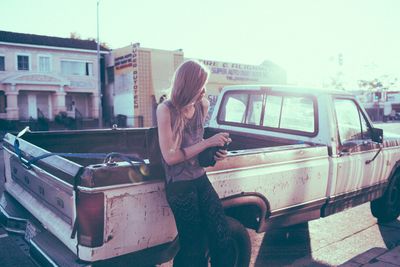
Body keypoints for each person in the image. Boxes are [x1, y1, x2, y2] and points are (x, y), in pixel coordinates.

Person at [156, 59, 234, 267]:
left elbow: (196, 146)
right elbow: (170, 157)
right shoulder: (165, 110)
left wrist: (214, 152)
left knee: (222, 234)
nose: (204, 90)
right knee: (193, 247)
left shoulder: (203, 105)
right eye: (201, 85)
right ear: (189, 85)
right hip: (179, 186)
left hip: (200, 178)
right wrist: (207, 142)